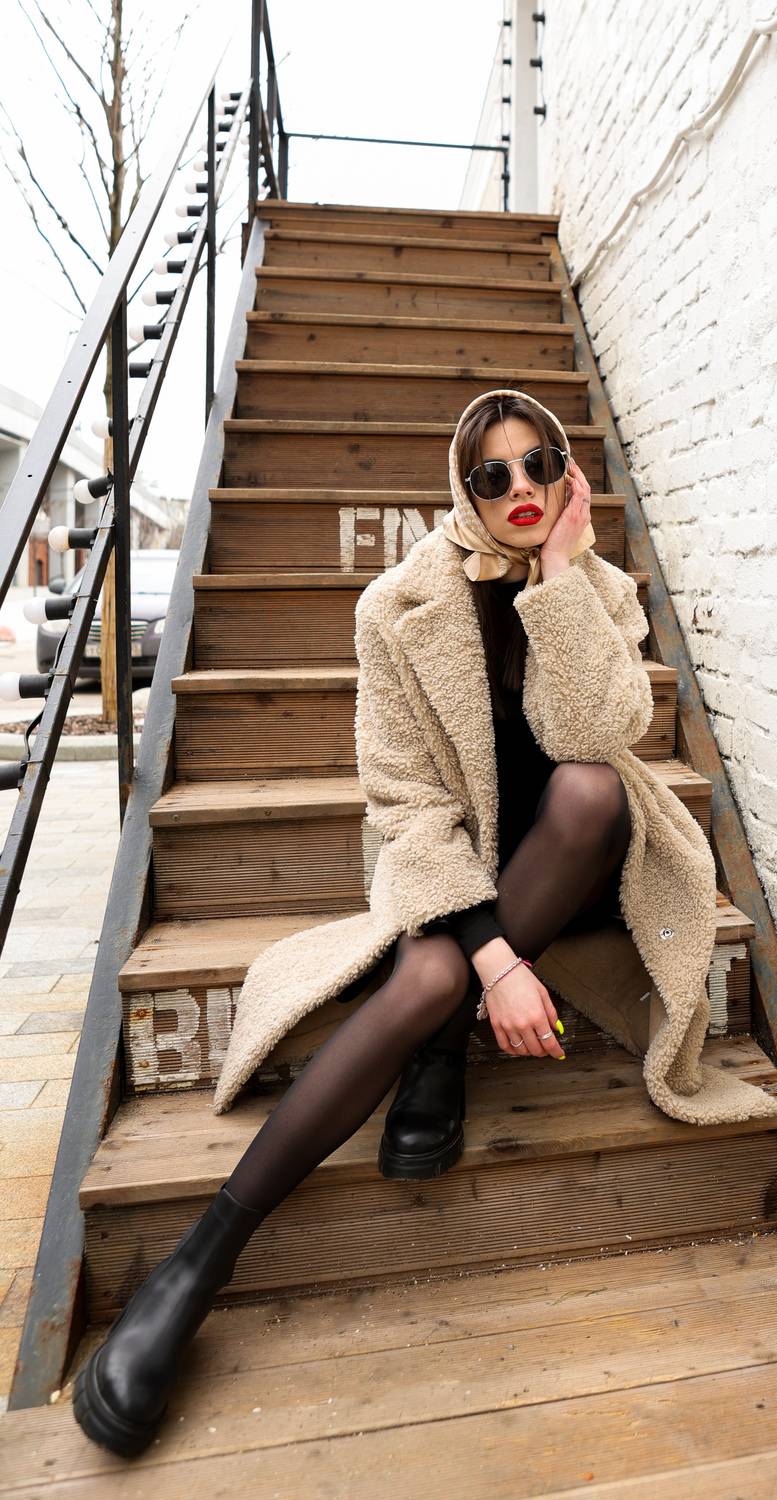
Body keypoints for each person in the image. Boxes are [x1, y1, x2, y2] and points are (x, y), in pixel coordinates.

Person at [72, 392, 636, 1457]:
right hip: (454, 871)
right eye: (492, 474)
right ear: (463, 488)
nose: (518, 490)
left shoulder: (601, 589)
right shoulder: (399, 605)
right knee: (426, 979)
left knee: (590, 790)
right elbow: (406, 806)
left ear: (566, 472)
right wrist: (496, 962)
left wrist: (560, 579)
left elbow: (598, 733)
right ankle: (195, 1267)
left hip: (574, 863)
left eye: (538, 465)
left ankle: (439, 1042)